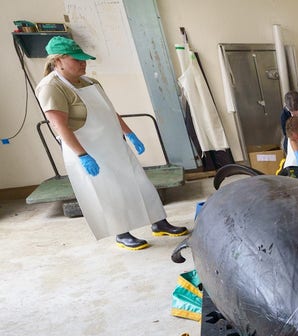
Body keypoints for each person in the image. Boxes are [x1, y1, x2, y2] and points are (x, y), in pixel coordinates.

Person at [36, 36, 187, 250]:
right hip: (88, 149)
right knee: (108, 190)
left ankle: (159, 222)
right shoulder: (51, 87)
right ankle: (122, 233)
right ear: (58, 60)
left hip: (113, 143)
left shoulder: (91, 82)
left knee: (139, 182)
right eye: (77, 59)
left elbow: (108, 111)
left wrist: (130, 133)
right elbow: (60, 127)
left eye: (84, 59)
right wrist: (82, 156)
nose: (83, 63)